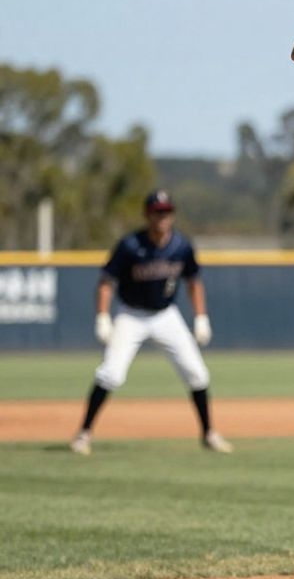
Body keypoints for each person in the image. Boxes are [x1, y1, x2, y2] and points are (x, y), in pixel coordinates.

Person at [70, 190, 231, 455]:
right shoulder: (130, 246)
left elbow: (194, 282)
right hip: (131, 314)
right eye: (157, 212)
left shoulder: (181, 246)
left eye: (167, 212)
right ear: (147, 214)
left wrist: (201, 317)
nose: (162, 217)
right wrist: (102, 316)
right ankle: (83, 434)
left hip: (166, 314)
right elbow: (106, 282)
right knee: (111, 373)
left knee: (197, 373)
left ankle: (209, 434)